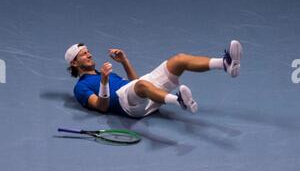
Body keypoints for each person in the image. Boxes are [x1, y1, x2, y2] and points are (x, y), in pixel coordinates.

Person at [65, 40, 242, 118]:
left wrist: (125, 61)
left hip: (139, 95)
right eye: (83, 54)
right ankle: (178, 100)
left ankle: (225, 64)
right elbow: (101, 107)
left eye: (88, 52)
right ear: (74, 62)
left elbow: (134, 84)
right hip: (127, 107)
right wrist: (104, 82)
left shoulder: (105, 72)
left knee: (178, 60)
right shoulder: (80, 87)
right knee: (142, 85)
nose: (89, 55)